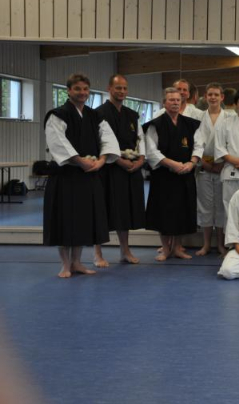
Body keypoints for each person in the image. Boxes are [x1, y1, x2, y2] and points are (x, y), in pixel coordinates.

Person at [43, 73, 120, 278]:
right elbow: (58, 142)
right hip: (65, 175)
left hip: (89, 175)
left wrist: (102, 160)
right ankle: (65, 265)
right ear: (68, 91)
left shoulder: (95, 116)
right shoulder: (58, 115)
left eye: (85, 89)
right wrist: (80, 160)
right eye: (77, 89)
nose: (82, 93)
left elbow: (108, 139)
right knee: (64, 219)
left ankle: (77, 262)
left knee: (82, 220)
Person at [144, 87, 203, 261]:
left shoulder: (191, 124)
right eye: (171, 100)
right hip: (164, 175)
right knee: (164, 212)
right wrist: (172, 164)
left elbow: (199, 145)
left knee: (181, 212)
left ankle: (177, 248)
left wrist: (191, 163)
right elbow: (151, 151)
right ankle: (165, 249)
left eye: (178, 100)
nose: (175, 103)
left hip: (185, 174)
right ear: (164, 103)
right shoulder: (156, 124)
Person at [93, 74, 144, 267]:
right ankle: (97, 254)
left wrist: (141, 160)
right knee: (103, 210)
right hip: (108, 169)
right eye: (118, 88)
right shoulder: (98, 113)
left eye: (124, 88)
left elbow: (140, 140)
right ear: (109, 89)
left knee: (125, 211)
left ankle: (125, 251)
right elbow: (99, 142)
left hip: (130, 168)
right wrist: (118, 161)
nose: (122, 91)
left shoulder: (132, 115)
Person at [195, 83, 232, 256]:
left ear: (222, 97)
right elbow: (195, 142)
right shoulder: (199, 117)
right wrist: (203, 162)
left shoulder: (230, 117)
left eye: (216, 94)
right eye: (210, 94)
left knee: (221, 206)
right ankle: (206, 244)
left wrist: (223, 162)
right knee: (205, 206)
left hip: (223, 165)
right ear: (205, 96)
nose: (213, 97)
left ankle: (221, 244)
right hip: (204, 165)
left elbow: (232, 142)